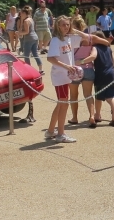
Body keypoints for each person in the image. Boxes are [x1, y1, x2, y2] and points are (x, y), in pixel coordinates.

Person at [45, 15, 109, 143]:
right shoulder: (56, 40)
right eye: (63, 25)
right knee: (64, 104)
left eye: (68, 24)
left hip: (67, 76)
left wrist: (75, 31)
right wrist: (67, 66)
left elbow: (86, 37)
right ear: (57, 26)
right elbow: (50, 58)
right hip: (60, 76)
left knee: (61, 103)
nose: (66, 27)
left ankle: (51, 130)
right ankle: (61, 134)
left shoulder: (68, 39)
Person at [67, 16, 97, 128]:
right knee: (88, 94)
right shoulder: (88, 38)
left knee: (74, 95)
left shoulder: (70, 39)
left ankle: (75, 117)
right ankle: (92, 116)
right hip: (88, 68)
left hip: (74, 68)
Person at [90, 30, 114, 126]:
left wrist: (81, 61)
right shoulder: (108, 48)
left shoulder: (95, 48)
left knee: (99, 96)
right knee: (112, 95)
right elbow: (113, 61)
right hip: (111, 73)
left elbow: (93, 57)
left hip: (100, 74)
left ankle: (97, 114)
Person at [18, 6, 43, 76]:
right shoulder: (30, 19)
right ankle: (40, 69)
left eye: (21, 13)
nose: (20, 15)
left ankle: (29, 70)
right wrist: (22, 20)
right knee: (35, 54)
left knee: (26, 55)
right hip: (35, 37)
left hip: (29, 39)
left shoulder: (26, 21)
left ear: (24, 13)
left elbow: (26, 31)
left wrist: (19, 33)